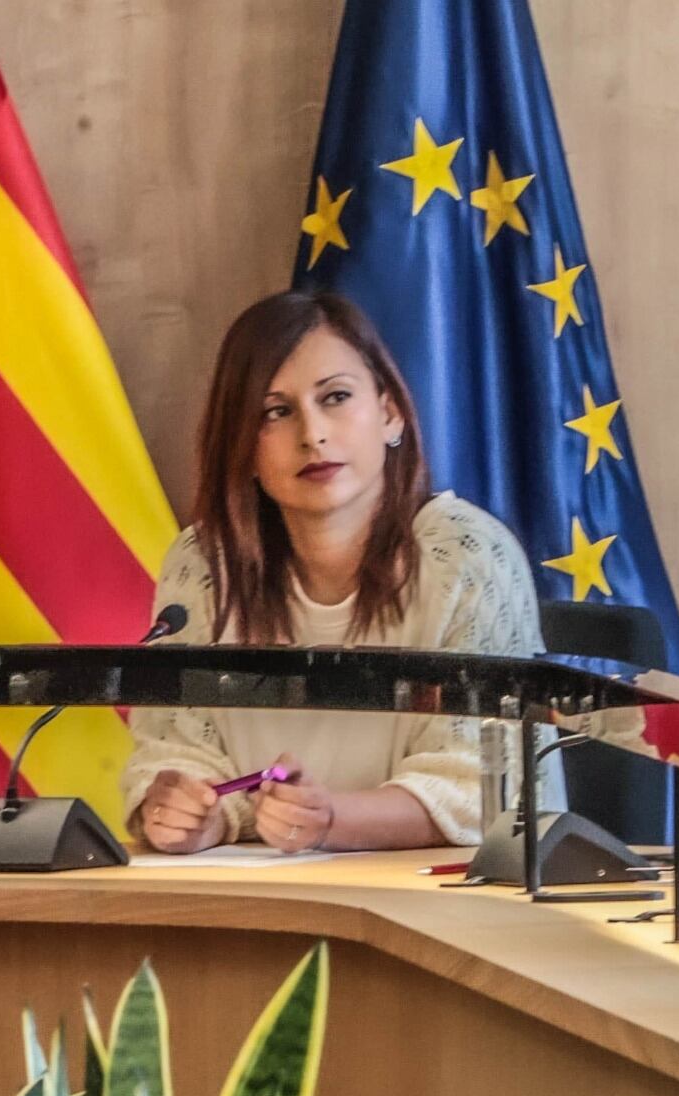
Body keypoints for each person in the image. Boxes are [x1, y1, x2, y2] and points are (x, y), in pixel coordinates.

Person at [123, 290, 548, 854]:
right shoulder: (203, 563)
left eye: (336, 397)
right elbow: (175, 749)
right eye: (276, 412)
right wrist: (194, 815)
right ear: (242, 446)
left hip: (443, 892)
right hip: (261, 890)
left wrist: (330, 820)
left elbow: (485, 786)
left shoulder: (470, 557)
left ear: (390, 413)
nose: (313, 435)